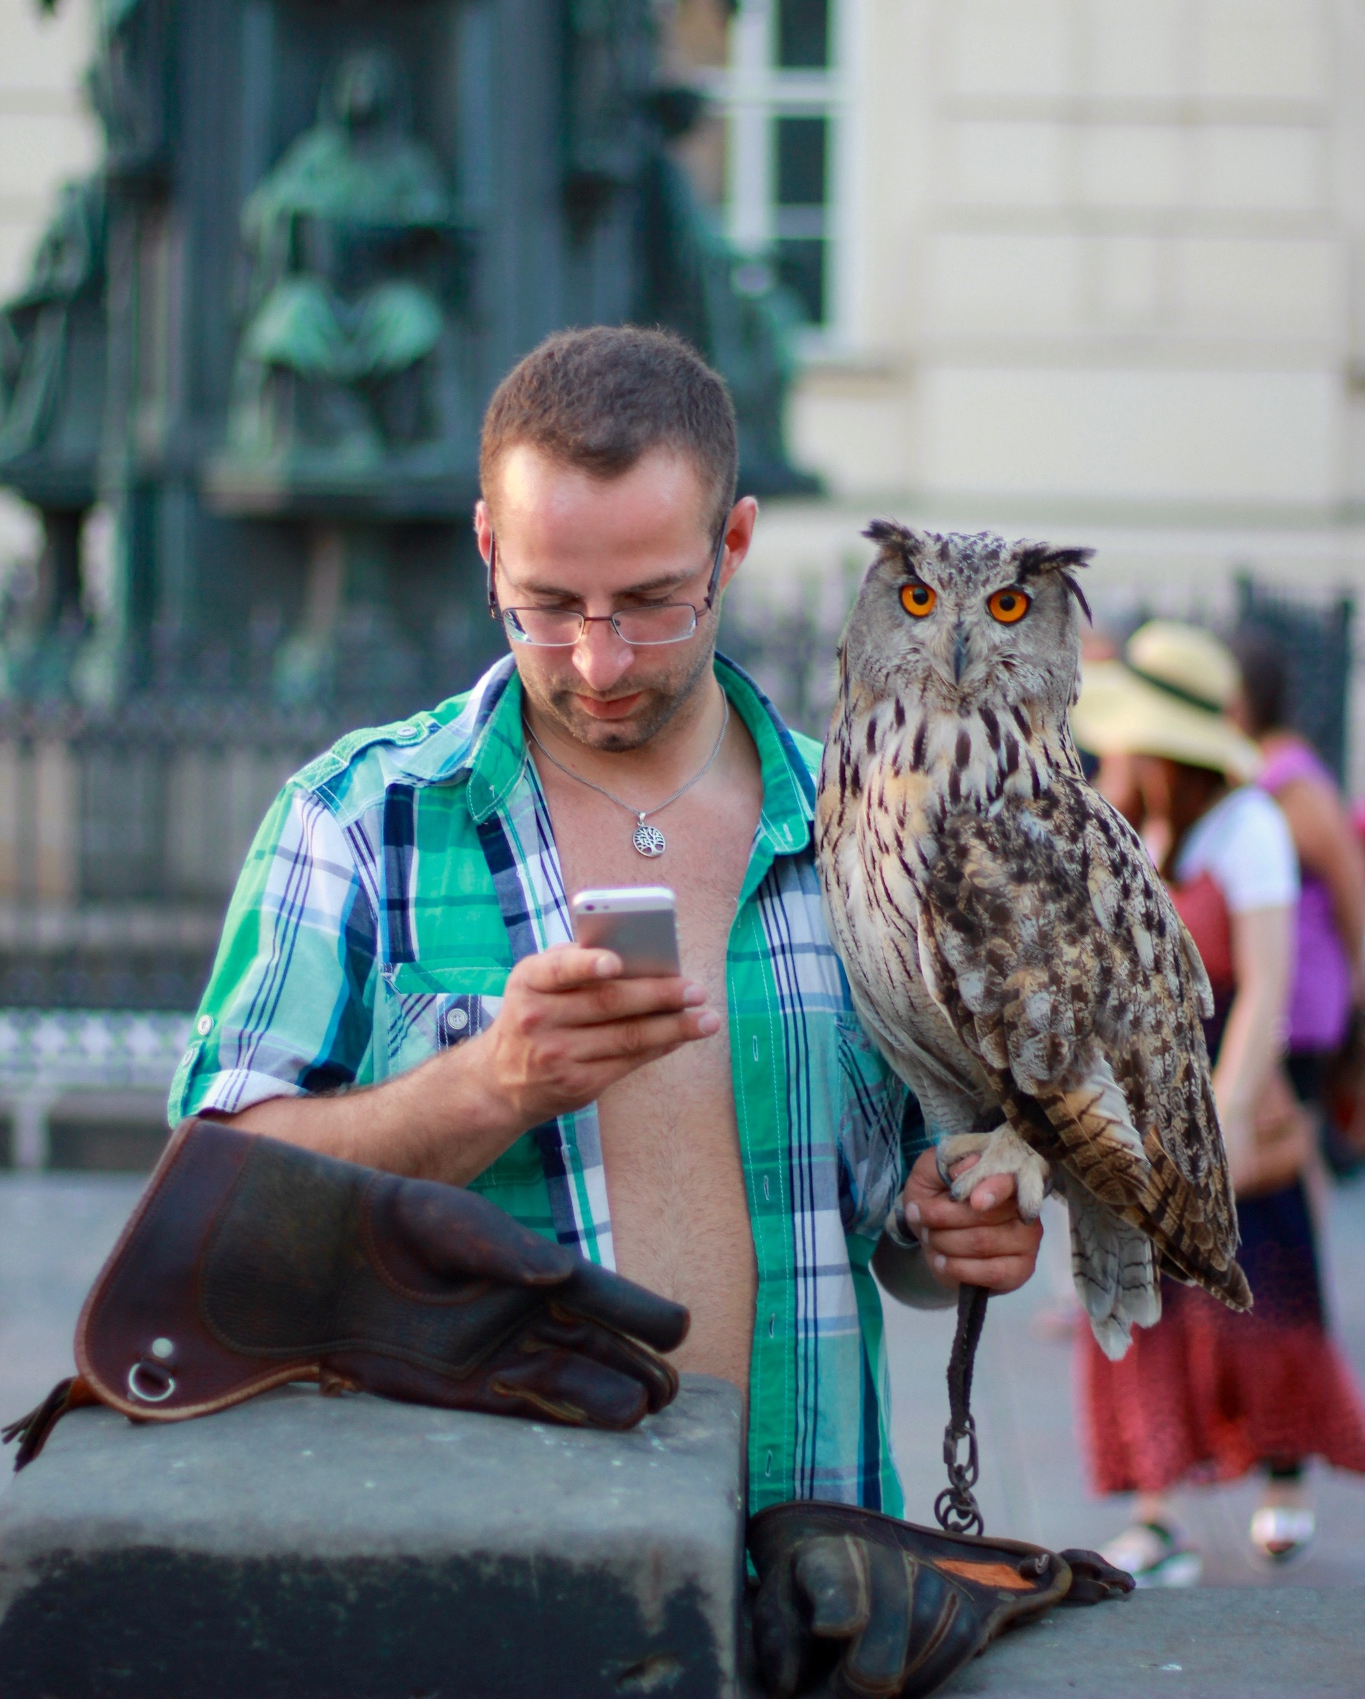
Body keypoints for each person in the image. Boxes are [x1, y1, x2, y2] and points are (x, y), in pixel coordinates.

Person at [170, 324, 1044, 1515]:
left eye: (650, 603)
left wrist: (952, 1239)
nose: (597, 659)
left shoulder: (875, 841)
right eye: (545, 604)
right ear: (487, 548)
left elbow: (899, 1228)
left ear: (732, 545)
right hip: (483, 1583)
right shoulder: (357, 819)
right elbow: (214, 1205)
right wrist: (491, 1082)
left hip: (813, 1581)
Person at [1072, 622, 1365, 1582]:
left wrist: (1223, 1123)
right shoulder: (1125, 817)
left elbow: (1266, 990)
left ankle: (1281, 1474)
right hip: (1137, 1097)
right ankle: (1156, 1510)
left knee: (1263, 1299)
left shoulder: (1249, 828)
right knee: (1134, 1303)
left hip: (1232, 1094)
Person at [1231, 628, 1365, 1119]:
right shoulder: (1260, 766)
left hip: (1301, 1001)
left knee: (1291, 1131)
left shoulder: (1292, 783)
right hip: (1287, 991)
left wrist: (1357, 986)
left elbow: (1350, 882)